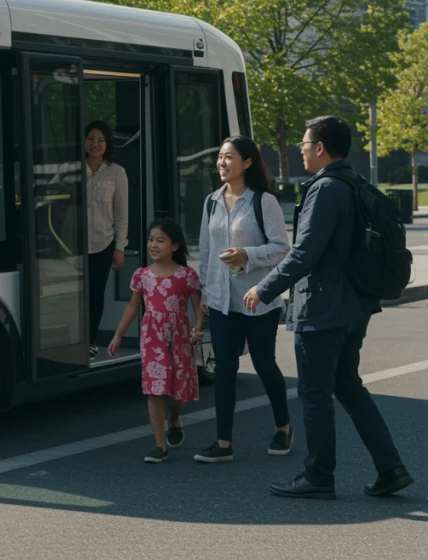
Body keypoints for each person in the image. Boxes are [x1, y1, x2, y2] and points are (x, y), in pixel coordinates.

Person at [245, 115, 412, 499]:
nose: (301, 150)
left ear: (320, 148)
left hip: (322, 309)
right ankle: (391, 467)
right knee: (349, 387)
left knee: (315, 394)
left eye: (304, 145)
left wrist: (265, 289)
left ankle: (319, 476)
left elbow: (305, 253)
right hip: (354, 305)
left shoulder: (324, 190)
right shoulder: (354, 182)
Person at [194, 136, 292, 464]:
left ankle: (283, 427)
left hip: (257, 299)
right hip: (223, 302)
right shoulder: (211, 202)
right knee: (225, 370)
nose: (222, 163)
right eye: (220, 157)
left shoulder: (264, 202)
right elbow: (206, 252)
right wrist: (206, 292)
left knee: (264, 365)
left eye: (229, 157)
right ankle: (223, 443)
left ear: (247, 162)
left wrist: (245, 255)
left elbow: (281, 248)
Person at [109, 219, 205, 464]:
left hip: (180, 336)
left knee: (175, 392)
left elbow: (198, 306)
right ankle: (160, 445)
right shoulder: (142, 275)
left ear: (174, 246)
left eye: (160, 241)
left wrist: (197, 329)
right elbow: (132, 307)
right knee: (154, 389)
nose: (153, 245)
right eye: (151, 240)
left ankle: (174, 419)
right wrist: (118, 334)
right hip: (152, 337)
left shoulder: (186, 275)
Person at [84, 122, 129, 358]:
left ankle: (90, 340)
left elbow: (122, 213)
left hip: (103, 243)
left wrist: (120, 247)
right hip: (72, 245)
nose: (95, 144)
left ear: (107, 144)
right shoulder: (71, 169)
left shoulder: (116, 172)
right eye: (91, 138)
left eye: (100, 140)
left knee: (95, 294)